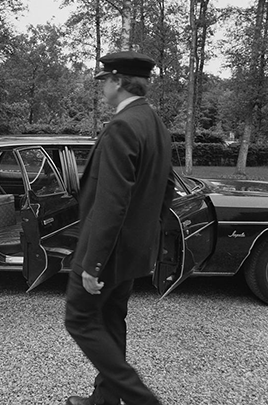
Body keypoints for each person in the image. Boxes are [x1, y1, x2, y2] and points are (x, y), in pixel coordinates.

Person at [64, 51, 175, 405]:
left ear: (117, 81)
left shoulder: (123, 126)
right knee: (111, 319)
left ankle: (143, 400)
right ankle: (105, 400)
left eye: (105, 81)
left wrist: (93, 263)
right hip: (130, 250)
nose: (103, 88)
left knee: (79, 319)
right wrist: (146, 232)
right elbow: (167, 187)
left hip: (107, 252)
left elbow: (111, 202)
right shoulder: (154, 123)